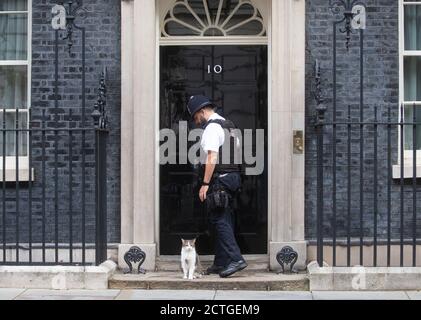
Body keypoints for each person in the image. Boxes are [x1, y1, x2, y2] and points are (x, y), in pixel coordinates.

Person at [187, 95, 247, 278]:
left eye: (196, 117)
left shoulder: (212, 128)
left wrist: (205, 183)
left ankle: (236, 259)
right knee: (224, 219)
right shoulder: (230, 125)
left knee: (219, 220)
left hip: (220, 179)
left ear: (202, 111)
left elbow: (212, 158)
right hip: (233, 177)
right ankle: (221, 263)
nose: (196, 122)